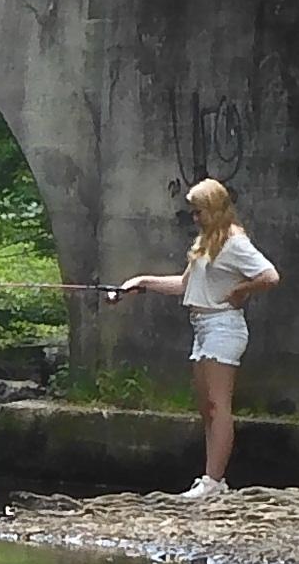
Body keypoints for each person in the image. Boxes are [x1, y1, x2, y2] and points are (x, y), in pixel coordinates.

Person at [112, 179, 281, 501]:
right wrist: (141, 282)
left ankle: (213, 481)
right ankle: (211, 478)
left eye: (198, 211)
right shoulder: (206, 243)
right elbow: (184, 285)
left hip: (224, 327)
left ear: (215, 209)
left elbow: (270, 276)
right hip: (202, 327)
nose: (194, 218)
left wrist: (241, 290)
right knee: (207, 407)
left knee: (219, 405)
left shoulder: (235, 242)